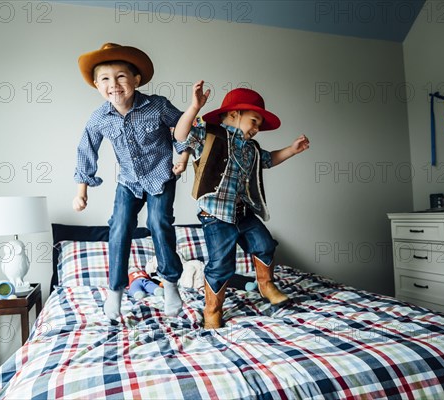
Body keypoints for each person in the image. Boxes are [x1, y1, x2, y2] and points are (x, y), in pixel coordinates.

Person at [174, 84, 310, 329]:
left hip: (242, 211)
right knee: (222, 264)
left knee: (265, 244)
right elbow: (181, 135)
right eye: (254, 121)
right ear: (235, 114)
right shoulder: (209, 133)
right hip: (215, 214)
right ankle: (212, 310)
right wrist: (195, 107)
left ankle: (266, 284)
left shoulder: (252, 149)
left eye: (258, 125)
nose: (257, 129)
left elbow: (269, 160)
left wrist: (291, 150)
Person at [73, 42, 191, 320]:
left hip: (162, 176)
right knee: (119, 227)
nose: (114, 84)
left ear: (136, 80)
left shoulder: (158, 105)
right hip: (128, 182)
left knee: (158, 223)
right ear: (96, 84)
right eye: (105, 79)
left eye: (121, 76)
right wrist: (82, 190)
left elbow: (184, 129)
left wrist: (183, 157)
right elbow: (85, 150)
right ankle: (115, 292)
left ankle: (171, 284)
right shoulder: (100, 117)